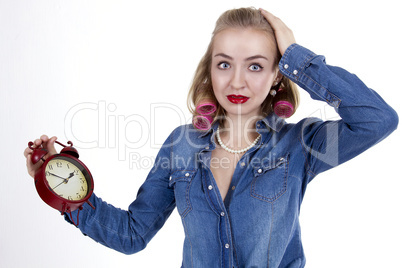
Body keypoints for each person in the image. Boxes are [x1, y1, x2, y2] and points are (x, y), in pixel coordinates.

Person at [24, 7, 398, 268]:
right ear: (210, 72)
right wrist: (59, 182)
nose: (237, 81)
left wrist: (297, 56)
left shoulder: (301, 146)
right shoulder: (181, 145)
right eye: (224, 64)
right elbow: (132, 234)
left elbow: (377, 120)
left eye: (255, 65)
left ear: (278, 76)